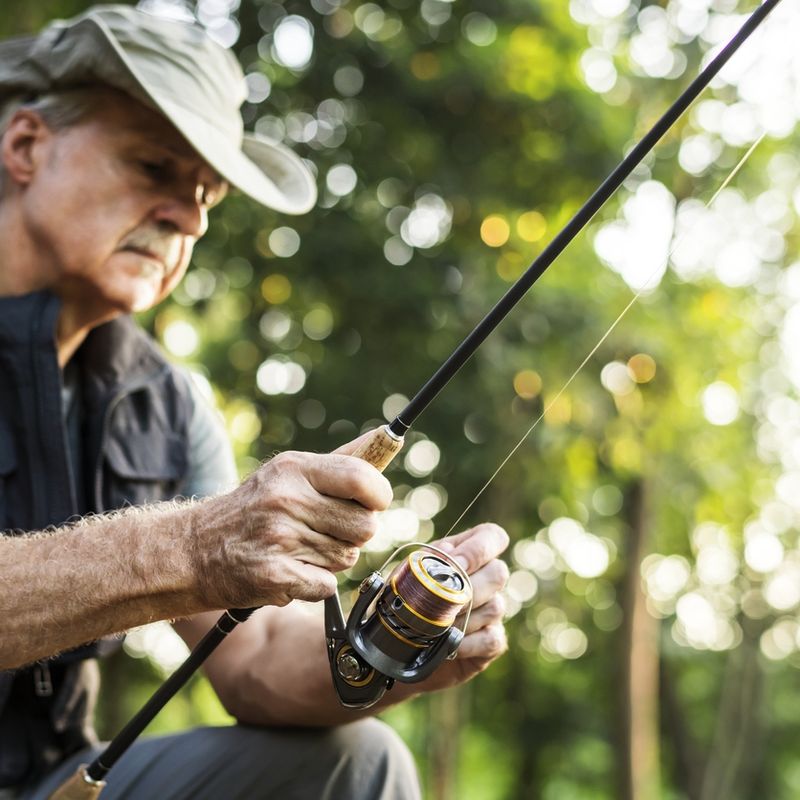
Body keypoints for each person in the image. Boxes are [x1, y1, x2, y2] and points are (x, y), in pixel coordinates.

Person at [0, 5, 510, 800]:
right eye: (154, 168)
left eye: (206, 192)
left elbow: (256, 652)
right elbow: (199, 552)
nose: (191, 215)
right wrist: (193, 549)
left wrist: (391, 648)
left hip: (51, 780)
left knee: (361, 761)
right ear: (27, 146)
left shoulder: (164, 405)